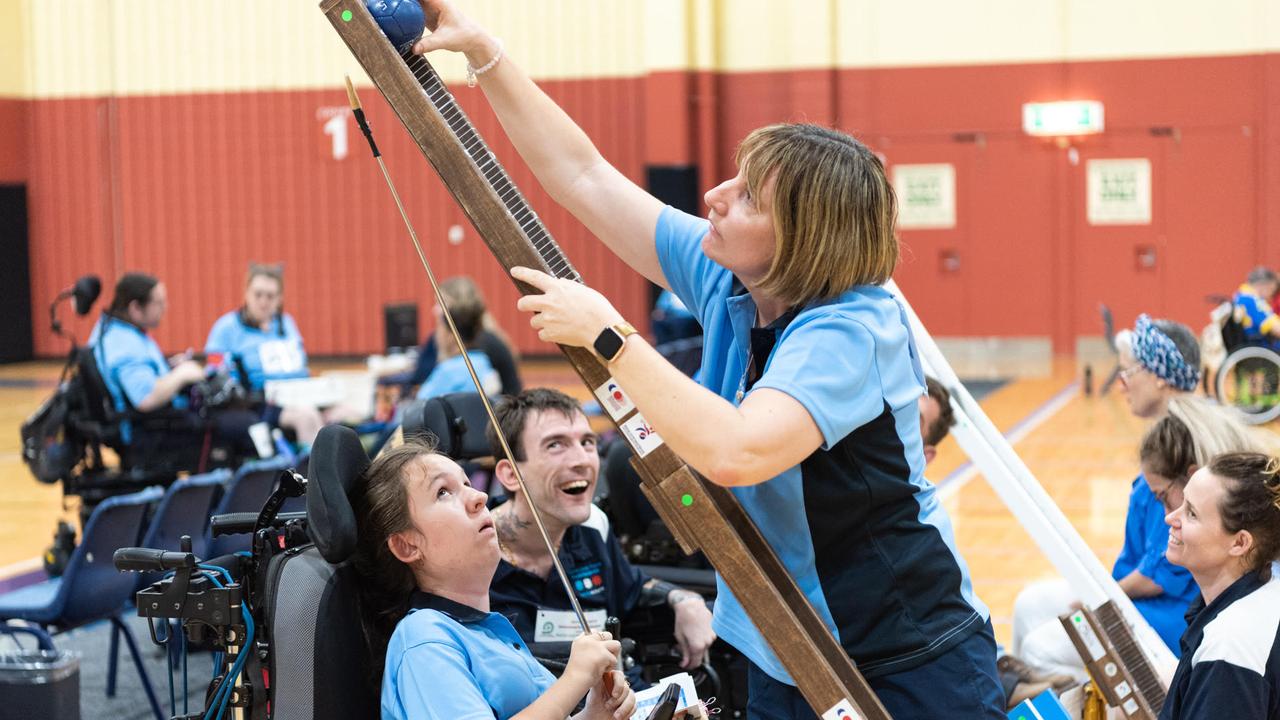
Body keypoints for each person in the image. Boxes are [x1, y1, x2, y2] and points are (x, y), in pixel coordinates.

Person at [413, 4, 1004, 716]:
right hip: (776, 640)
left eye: (747, 196)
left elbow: (739, 450)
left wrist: (610, 336)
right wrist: (484, 53)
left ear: (800, 239)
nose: (715, 199)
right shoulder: (731, 275)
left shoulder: (853, 328)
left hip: (901, 652)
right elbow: (583, 176)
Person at [352, 439, 636, 720]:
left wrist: (592, 716)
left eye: (467, 484)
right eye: (443, 492)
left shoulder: (488, 630)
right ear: (407, 546)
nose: (480, 498)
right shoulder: (423, 638)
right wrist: (574, 680)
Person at [1012, 316, 1208, 681]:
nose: (1121, 382)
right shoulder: (1165, 442)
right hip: (1143, 598)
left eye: (1128, 370)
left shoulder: (1184, 453)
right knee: (1029, 605)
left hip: (1167, 613)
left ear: (1159, 376)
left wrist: (1100, 597)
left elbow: (1159, 575)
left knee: (1042, 648)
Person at [484, 389, 716, 680]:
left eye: (587, 442)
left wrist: (684, 600)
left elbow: (635, 586)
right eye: (556, 445)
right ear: (510, 474)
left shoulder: (593, 526)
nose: (582, 459)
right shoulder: (471, 550)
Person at [1160, 452, 1280, 719]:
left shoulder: (1229, 648)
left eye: (1191, 513)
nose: (1171, 519)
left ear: (1239, 543)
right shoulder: (1267, 592)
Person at [89, 272, 254, 460]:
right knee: (248, 424)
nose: (165, 308)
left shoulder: (114, 330)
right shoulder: (125, 345)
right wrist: (181, 375)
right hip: (150, 432)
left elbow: (139, 373)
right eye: (158, 303)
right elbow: (145, 398)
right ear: (135, 307)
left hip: (154, 423)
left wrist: (167, 368)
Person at [205, 263, 327, 445]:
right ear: (246, 294)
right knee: (307, 418)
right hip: (258, 402)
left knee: (347, 412)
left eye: (270, 296)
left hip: (300, 393)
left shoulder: (286, 323)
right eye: (258, 294)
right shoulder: (227, 328)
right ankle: (312, 472)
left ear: (279, 299)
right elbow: (214, 374)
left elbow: (301, 364)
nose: (263, 302)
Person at [396, 277, 521, 398]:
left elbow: (421, 381)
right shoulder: (492, 339)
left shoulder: (481, 346)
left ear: (455, 309)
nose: (434, 310)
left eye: (439, 304)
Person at [416, 278, 502, 401]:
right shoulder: (482, 356)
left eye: (440, 303)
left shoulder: (485, 346)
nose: (434, 310)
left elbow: (421, 400)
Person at [1232, 266, 1280, 350]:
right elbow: (1277, 329)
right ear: (1263, 286)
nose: (1271, 297)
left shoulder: (1240, 296)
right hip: (1262, 347)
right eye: (1272, 291)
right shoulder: (1253, 301)